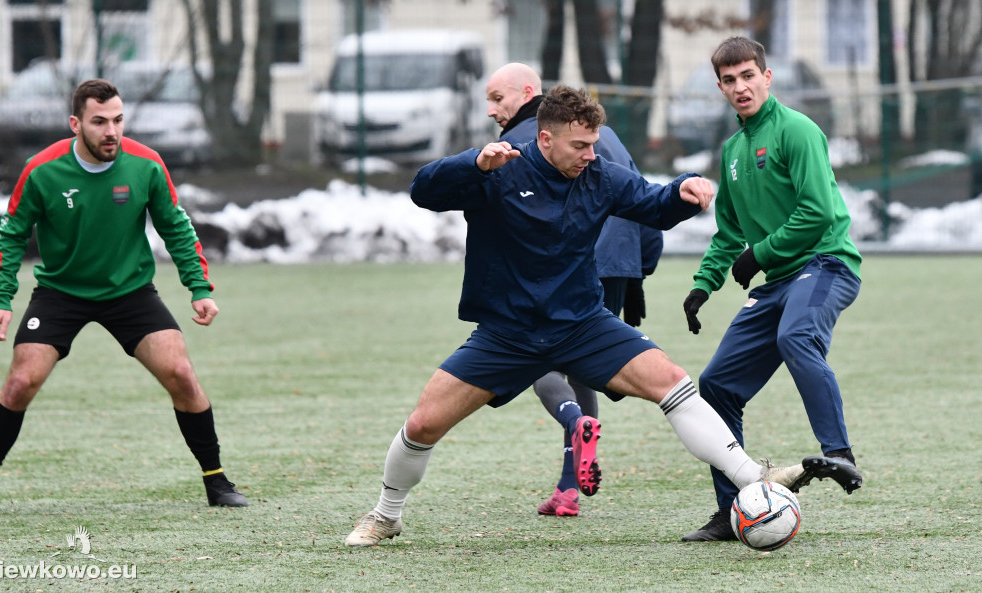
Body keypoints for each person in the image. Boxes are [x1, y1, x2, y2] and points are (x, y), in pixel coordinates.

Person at [345, 84, 850, 547]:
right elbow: (423, 190)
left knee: (672, 381)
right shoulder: (499, 171)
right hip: (508, 333)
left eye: (594, 144)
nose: (591, 154)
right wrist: (473, 163)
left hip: (584, 324)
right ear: (545, 139)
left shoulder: (599, 176)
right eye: (580, 146)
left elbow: (651, 203)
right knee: (423, 425)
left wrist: (682, 191)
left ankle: (752, 480)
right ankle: (387, 515)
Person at [0, 79, 247, 514]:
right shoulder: (43, 169)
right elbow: (12, 233)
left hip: (130, 292)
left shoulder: (145, 165)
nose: (111, 131)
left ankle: (216, 480)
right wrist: (1, 300)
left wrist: (199, 288)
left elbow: (176, 227)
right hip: (60, 292)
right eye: (99, 122)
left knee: (182, 374)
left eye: (118, 120)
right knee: (20, 383)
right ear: (76, 124)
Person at [680, 37, 863, 542]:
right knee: (715, 386)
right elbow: (730, 231)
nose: (740, 87)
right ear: (720, 87)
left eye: (748, 76)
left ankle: (839, 454)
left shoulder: (797, 130)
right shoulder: (734, 150)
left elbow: (818, 214)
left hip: (827, 264)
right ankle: (730, 509)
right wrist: (703, 285)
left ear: (767, 76)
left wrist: (760, 255)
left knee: (795, 337)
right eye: (730, 80)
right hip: (780, 280)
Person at [485, 63, 665, 516]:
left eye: (497, 98)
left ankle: (572, 421)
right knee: (583, 368)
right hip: (618, 263)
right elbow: (642, 192)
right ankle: (568, 486)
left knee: (538, 358)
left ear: (527, 92)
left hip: (567, 268)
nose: (491, 110)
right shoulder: (600, 131)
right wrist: (638, 267)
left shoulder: (529, 141)